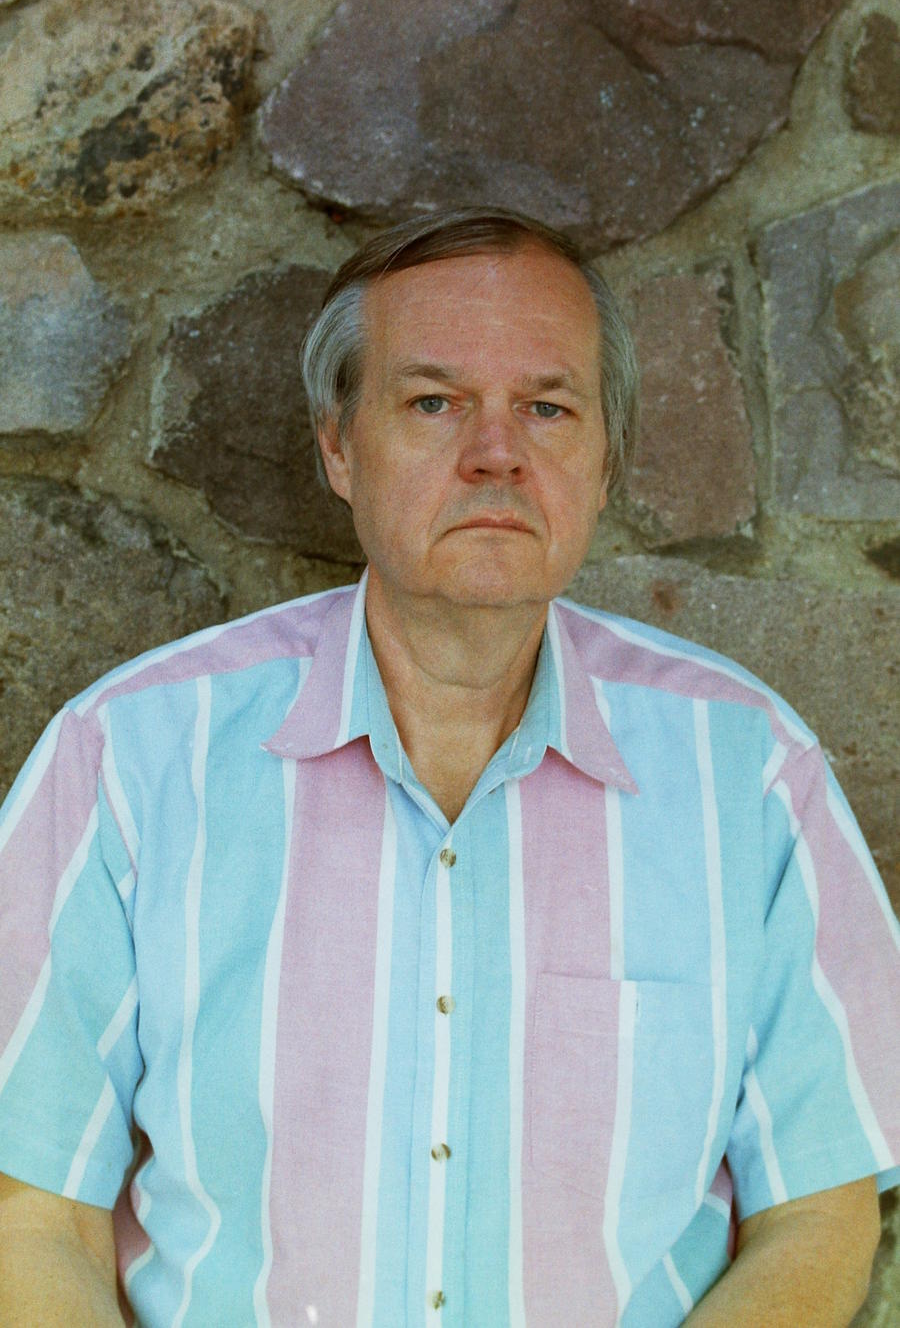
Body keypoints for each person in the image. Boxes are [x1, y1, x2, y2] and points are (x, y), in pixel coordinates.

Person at [0, 207, 897, 1328]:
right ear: (339, 446)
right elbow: (32, 1217)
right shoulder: (128, 759)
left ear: (605, 460)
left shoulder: (750, 773)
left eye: (548, 408)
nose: (496, 453)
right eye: (434, 402)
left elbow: (818, 1214)